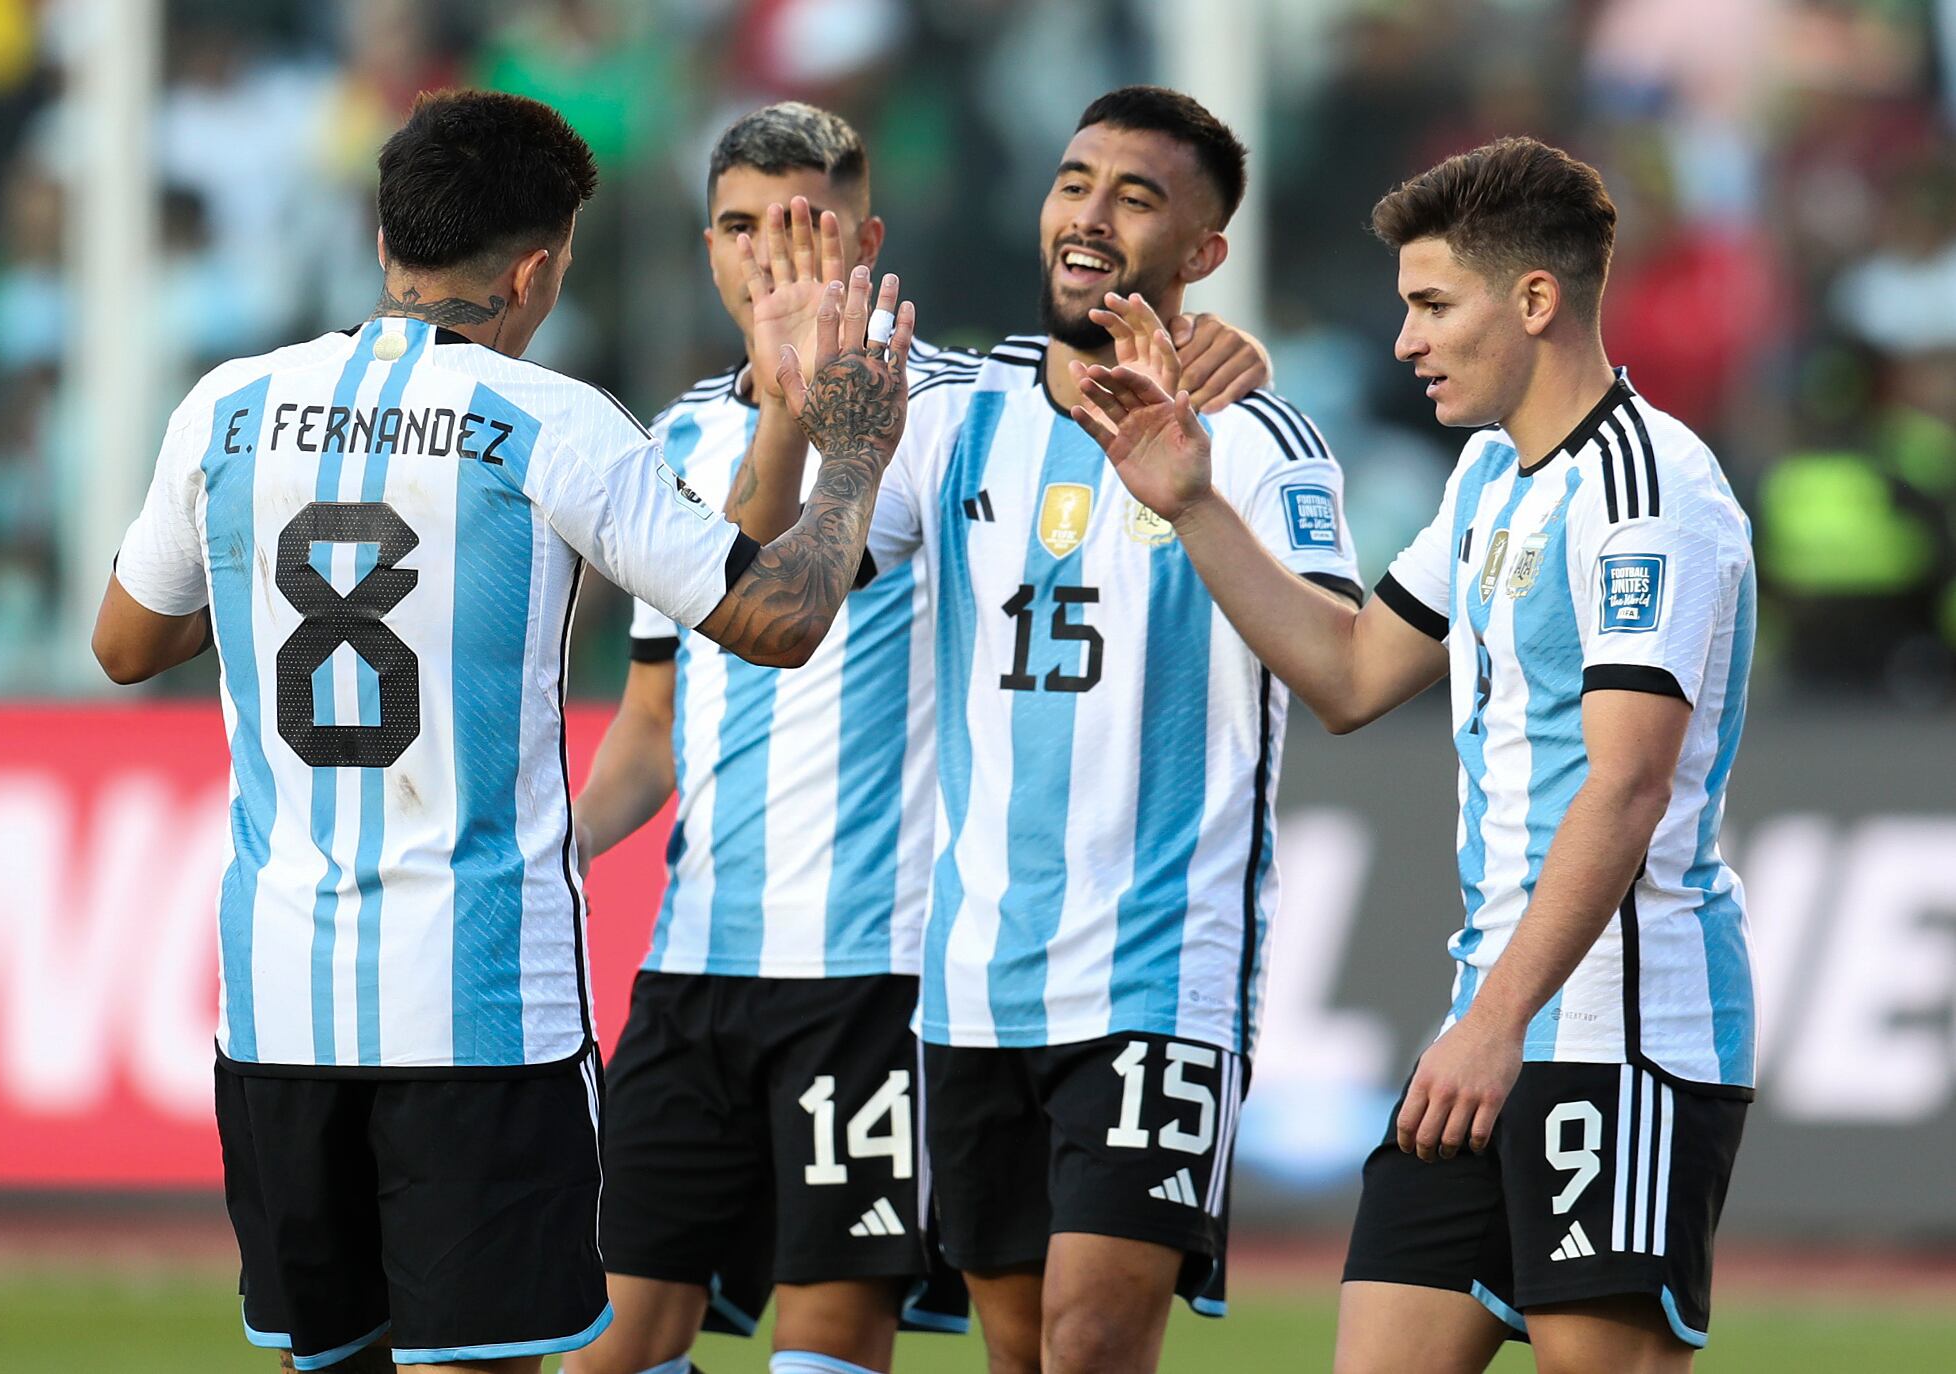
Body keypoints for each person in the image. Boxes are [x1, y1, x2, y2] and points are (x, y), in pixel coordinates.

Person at [91, 88, 917, 1374]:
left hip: (275, 1009)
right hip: (475, 1008)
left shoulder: (228, 407)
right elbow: (776, 620)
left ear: (386, 244)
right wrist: (852, 456)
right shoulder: (554, 422)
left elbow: (125, 645)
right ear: (536, 267)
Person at [567, 102, 1271, 1374]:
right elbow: (686, 682)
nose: (772, 264)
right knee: (612, 1342)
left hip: (881, 960)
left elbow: (1074, 386)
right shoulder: (676, 431)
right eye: (741, 230)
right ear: (704, 245)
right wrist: (549, 852)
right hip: (697, 954)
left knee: (840, 1334)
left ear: (866, 241)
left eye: (806, 233)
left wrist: (1217, 355)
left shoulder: (933, 407)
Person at [1072, 136, 1756, 1373]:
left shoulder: (1650, 494)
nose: (1405, 341)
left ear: (1534, 302)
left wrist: (1496, 1023)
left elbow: (1629, 784)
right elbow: (1346, 673)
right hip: (1491, 1024)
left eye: (1432, 305)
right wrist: (1192, 505)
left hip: (1618, 1036)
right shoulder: (1491, 477)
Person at [729, 85, 1359, 1374]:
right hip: (973, 983)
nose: (1089, 215)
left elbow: (1338, 664)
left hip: (1155, 972)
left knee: (1090, 1339)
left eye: (1136, 198)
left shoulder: (1255, 437)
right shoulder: (953, 412)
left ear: (1202, 256)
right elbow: (777, 602)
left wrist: (1195, 497)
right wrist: (797, 411)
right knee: (1016, 1350)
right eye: (1074, 182)